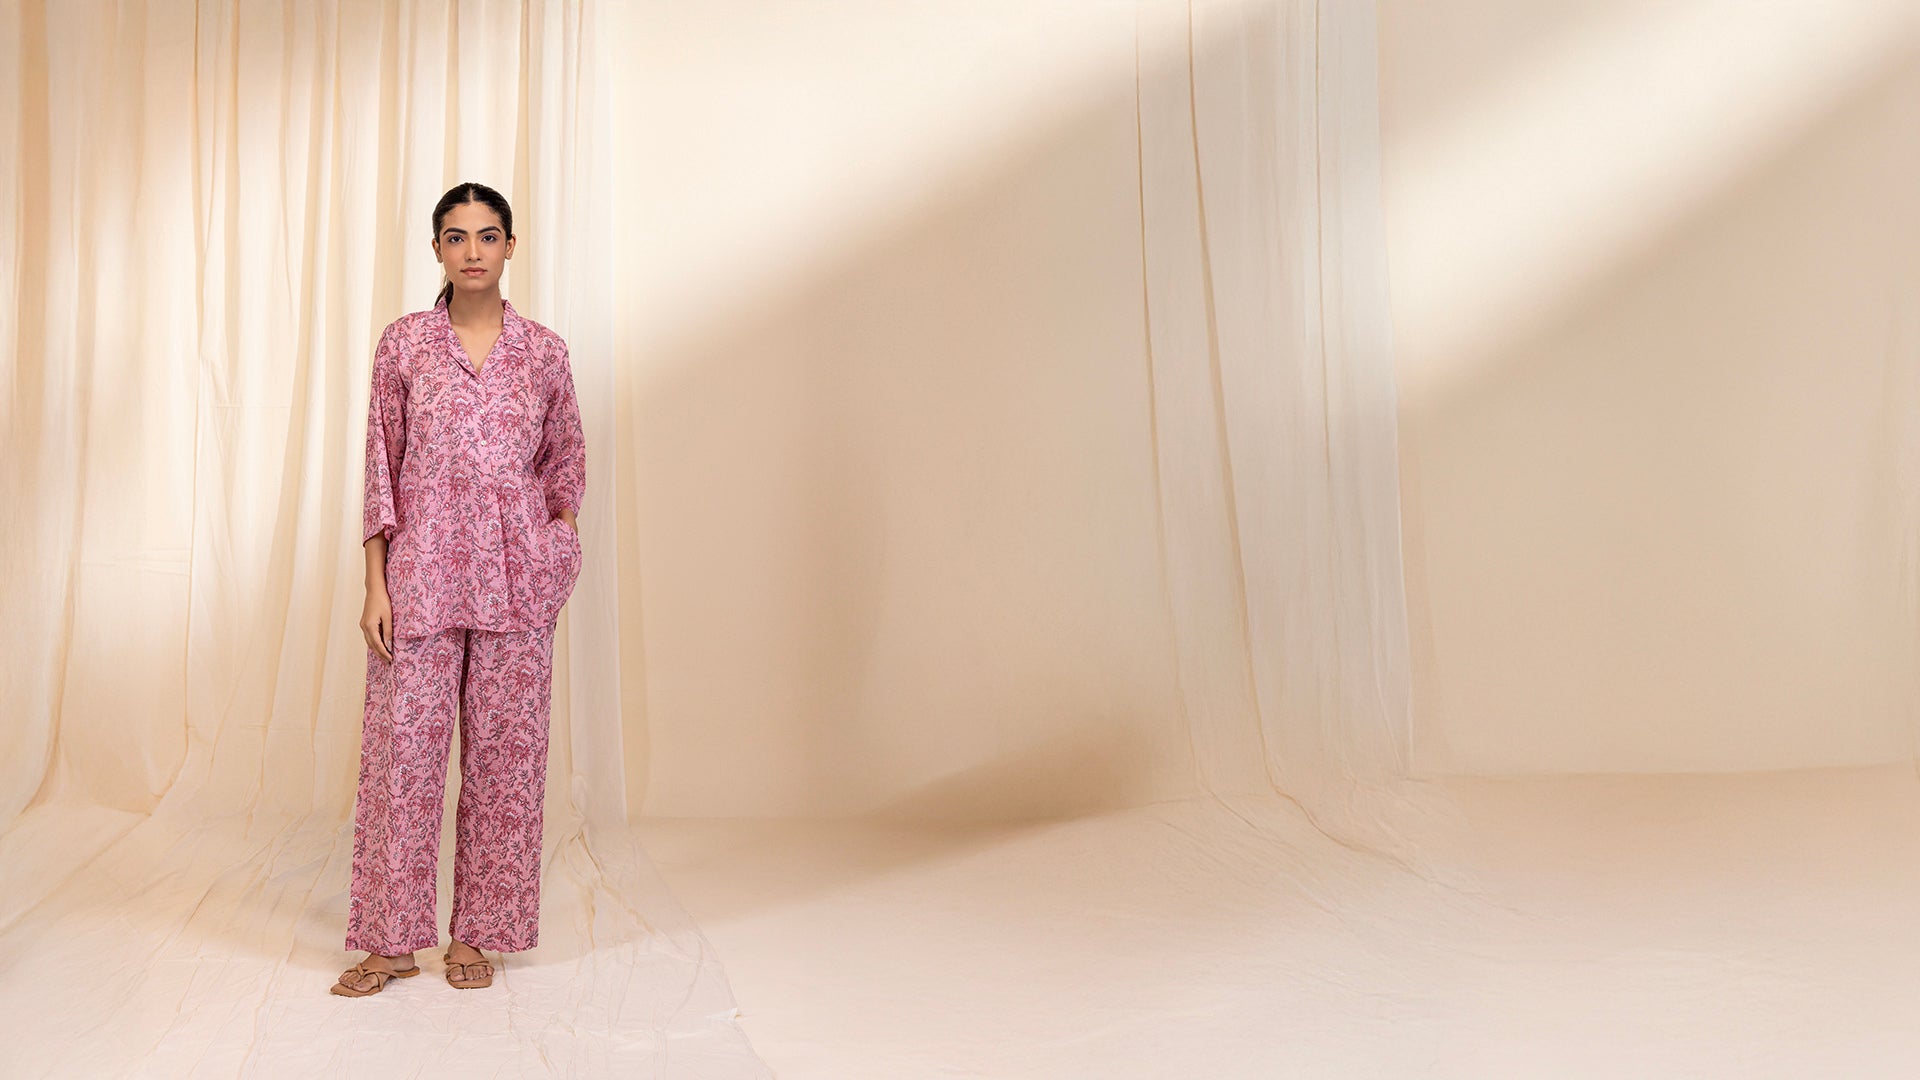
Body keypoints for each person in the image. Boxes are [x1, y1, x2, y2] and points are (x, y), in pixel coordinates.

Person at [331, 181, 585, 997]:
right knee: (402, 761)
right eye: (455, 236)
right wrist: (375, 585)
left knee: (506, 765)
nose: (472, 250)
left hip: (517, 585)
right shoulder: (404, 345)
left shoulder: (544, 352)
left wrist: (556, 553)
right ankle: (391, 941)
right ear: (436, 248)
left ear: (511, 245)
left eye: (487, 235)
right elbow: (380, 464)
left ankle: (478, 934)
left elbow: (565, 464)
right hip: (421, 578)